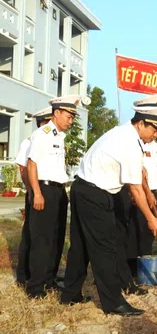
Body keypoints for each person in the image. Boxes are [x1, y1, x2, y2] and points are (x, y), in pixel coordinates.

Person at [61, 105, 157, 316]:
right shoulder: (128, 142)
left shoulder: (123, 134)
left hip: (83, 189)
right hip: (94, 194)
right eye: (154, 129)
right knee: (105, 249)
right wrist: (151, 219)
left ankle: (70, 294)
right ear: (141, 123)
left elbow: (137, 179)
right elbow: (136, 190)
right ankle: (113, 303)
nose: (156, 134)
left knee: (81, 245)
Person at [25, 95, 83, 298]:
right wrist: (37, 193)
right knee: (43, 240)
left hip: (58, 190)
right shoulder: (43, 134)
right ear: (56, 113)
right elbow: (31, 164)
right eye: (68, 116)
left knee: (57, 238)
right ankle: (35, 286)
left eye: (73, 117)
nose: (71, 120)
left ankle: (49, 280)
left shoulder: (60, 136)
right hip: (45, 189)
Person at [125, 95, 157, 278]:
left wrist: (156, 192)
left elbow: (152, 170)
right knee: (136, 230)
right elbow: (139, 173)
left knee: (149, 233)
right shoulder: (135, 140)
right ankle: (133, 268)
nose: (156, 131)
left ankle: (146, 267)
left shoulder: (153, 143)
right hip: (139, 192)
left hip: (152, 191)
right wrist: (147, 193)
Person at [14, 107, 52, 286]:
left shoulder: (51, 140)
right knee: (30, 233)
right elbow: (23, 169)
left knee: (45, 233)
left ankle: (43, 273)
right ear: (42, 123)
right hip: (34, 191)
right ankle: (24, 273)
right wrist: (30, 190)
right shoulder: (29, 142)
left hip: (46, 189)